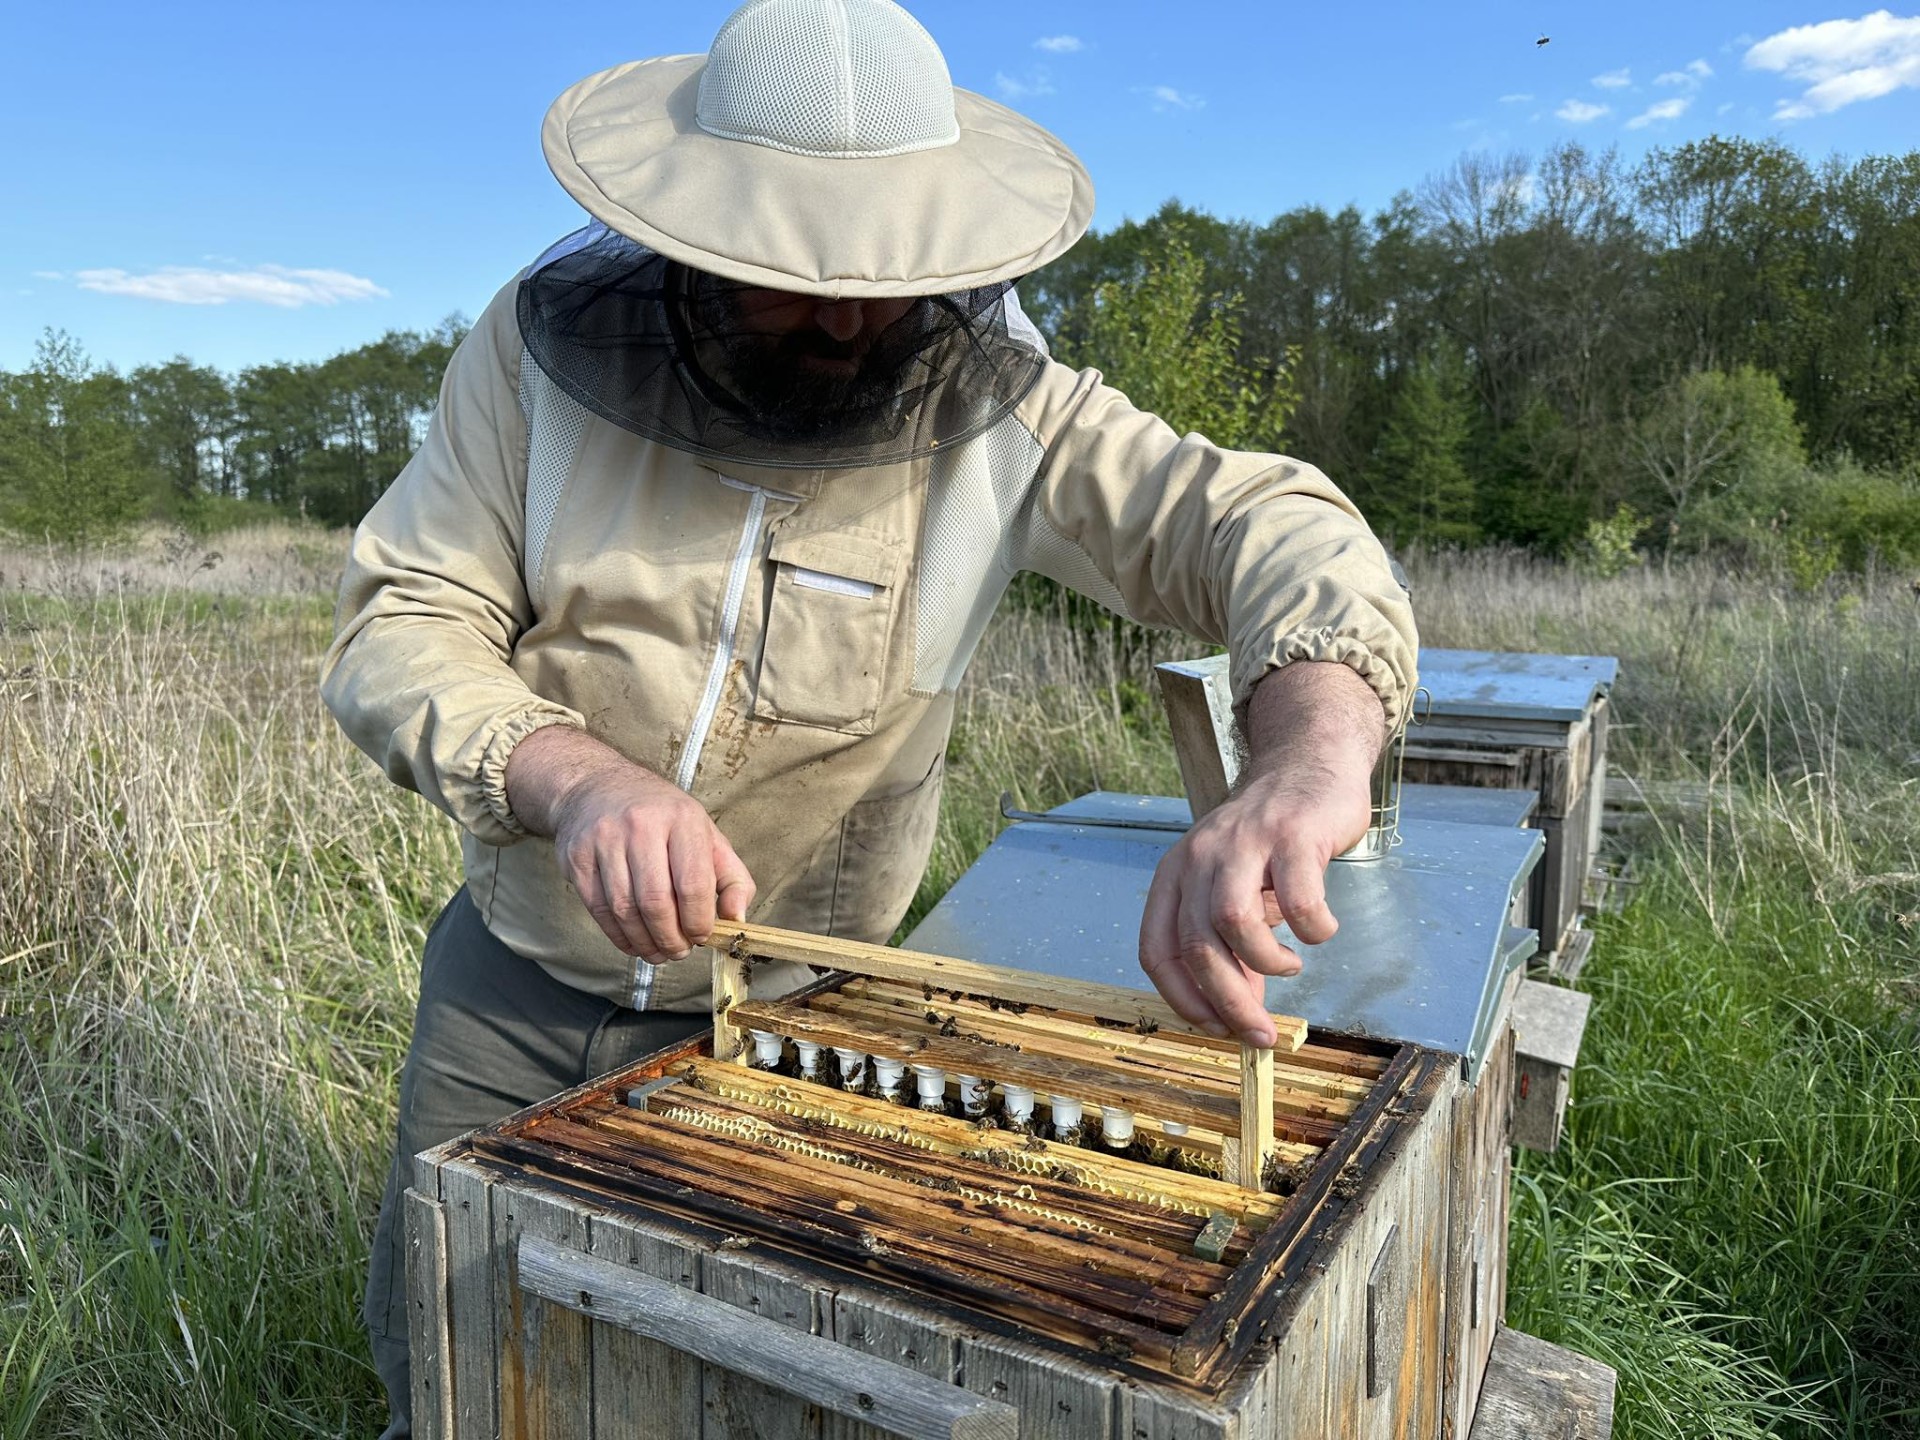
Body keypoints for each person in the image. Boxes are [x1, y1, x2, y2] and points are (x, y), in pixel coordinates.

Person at [320, 0, 1417, 1432]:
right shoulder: (531, 365)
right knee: (462, 1371)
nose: (848, 321)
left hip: (798, 1026)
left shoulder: (1009, 410)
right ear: (693, 240)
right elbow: (403, 620)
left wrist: (1306, 758)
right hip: (508, 992)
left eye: (884, 277)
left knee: (732, 1397)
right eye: (794, 278)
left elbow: (1262, 526)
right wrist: (574, 775)